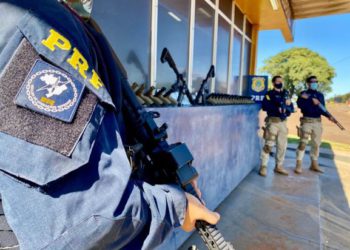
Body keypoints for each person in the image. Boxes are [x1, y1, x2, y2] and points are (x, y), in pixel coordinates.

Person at [0, 0, 219, 249]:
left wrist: (170, 173)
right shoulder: (40, 23)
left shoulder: (74, 26)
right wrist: (176, 207)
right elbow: (81, 217)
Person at [294, 76, 336, 174]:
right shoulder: (303, 94)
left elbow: (322, 108)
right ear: (307, 83)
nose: (314, 83)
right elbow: (301, 106)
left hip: (317, 122)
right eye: (312, 82)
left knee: (316, 144)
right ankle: (298, 164)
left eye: (316, 81)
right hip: (306, 122)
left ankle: (314, 164)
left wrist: (329, 116)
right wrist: (311, 100)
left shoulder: (320, 95)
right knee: (303, 143)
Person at [259, 76, 294, 177]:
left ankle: (278, 166)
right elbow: (265, 106)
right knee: (269, 145)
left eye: (281, 81)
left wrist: (288, 106)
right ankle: (263, 166)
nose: (280, 82)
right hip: (272, 122)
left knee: (282, 146)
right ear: (274, 83)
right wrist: (276, 108)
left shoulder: (286, 94)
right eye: (278, 81)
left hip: (283, 123)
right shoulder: (269, 94)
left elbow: (291, 109)